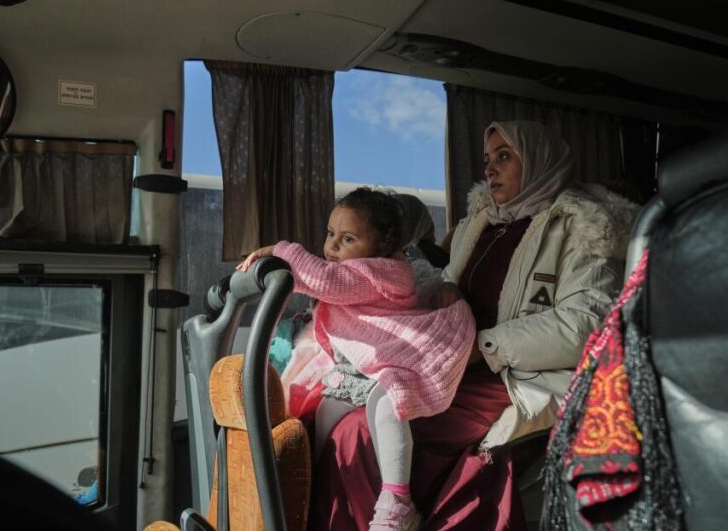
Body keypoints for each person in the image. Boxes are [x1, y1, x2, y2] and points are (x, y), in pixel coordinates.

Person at [313, 121, 639, 529]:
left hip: (514, 376)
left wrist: (484, 347)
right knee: (334, 412)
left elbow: (586, 325)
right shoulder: (480, 221)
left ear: (538, 161)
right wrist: (444, 290)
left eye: (504, 156)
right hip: (455, 363)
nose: (489, 169)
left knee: (361, 431)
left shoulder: (580, 226)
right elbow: (448, 282)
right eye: (487, 159)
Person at [238, 188, 475, 530]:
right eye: (330, 234)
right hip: (361, 367)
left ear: (382, 245)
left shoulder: (382, 273)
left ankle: (398, 502)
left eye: (348, 239)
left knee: (388, 405)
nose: (332, 246)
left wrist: (280, 251)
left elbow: (326, 280)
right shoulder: (359, 270)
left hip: (396, 359)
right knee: (325, 413)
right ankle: (314, 483)